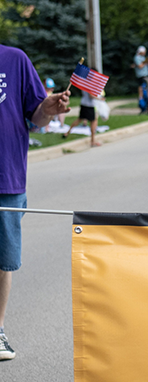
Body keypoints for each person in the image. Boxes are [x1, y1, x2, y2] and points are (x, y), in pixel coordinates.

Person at [0, 43, 72, 362]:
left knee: (3, 260)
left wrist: (50, 108)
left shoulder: (15, 60)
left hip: (6, 176)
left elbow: (37, 117)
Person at [133, 46, 148, 114]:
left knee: (147, 92)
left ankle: (147, 107)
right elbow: (140, 66)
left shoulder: (142, 58)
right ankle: (143, 107)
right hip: (142, 77)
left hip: (145, 76)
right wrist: (145, 62)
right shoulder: (137, 57)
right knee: (143, 93)